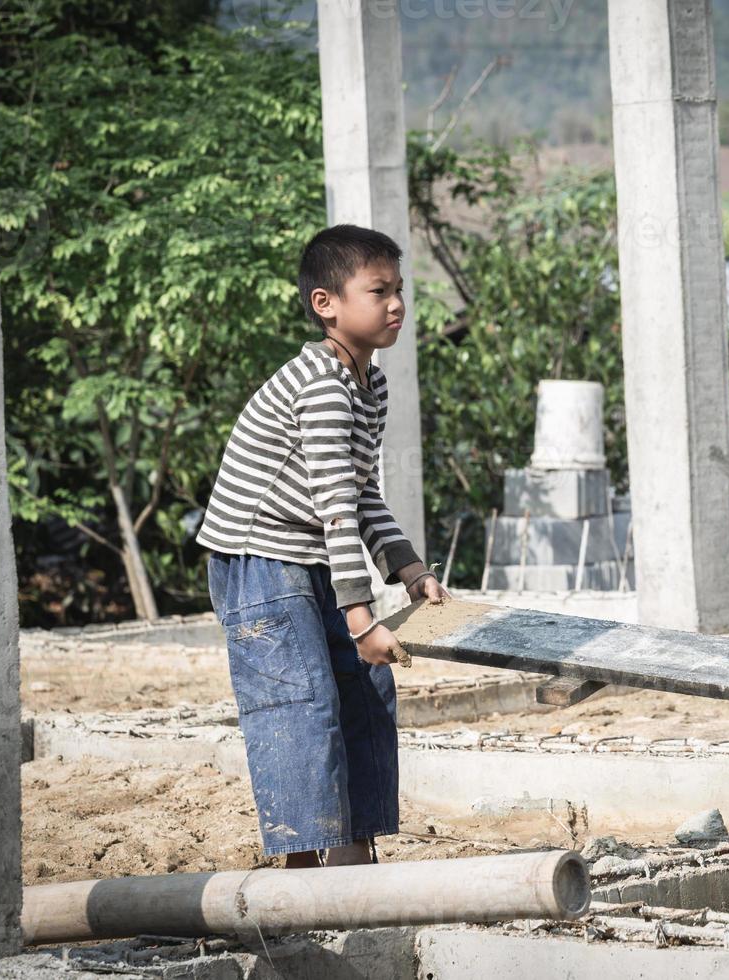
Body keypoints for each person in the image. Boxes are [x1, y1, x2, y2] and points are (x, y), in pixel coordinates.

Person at [197, 223, 449, 868]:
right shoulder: (320, 386)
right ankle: (303, 867)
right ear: (325, 304)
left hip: (310, 551)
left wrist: (410, 569)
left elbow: (361, 492)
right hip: (258, 558)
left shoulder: (370, 384)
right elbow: (336, 508)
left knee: (366, 688)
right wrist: (361, 617)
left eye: (399, 290)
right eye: (378, 291)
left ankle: (354, 855)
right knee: (301, 703)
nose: (396, 304)